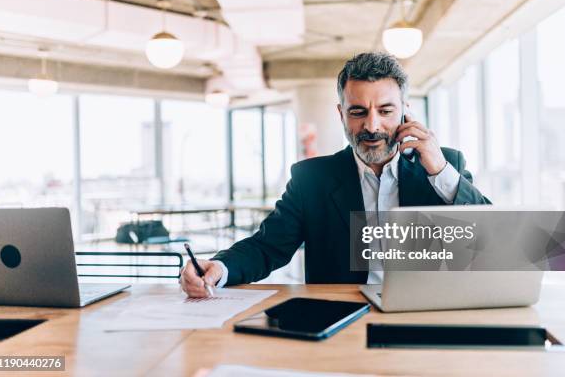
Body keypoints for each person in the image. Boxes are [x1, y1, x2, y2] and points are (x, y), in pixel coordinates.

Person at [181, 52, 491, 297]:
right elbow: (267, 247)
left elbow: (493, 243)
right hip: (341, 317)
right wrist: (219, 268)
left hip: (428, 314)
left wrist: (440, 172)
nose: (371, 126)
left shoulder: (444, 165)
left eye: (385, 111)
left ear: (405, 111)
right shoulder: (312, 179)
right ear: (341, 114)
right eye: (358, 112)